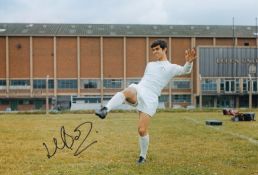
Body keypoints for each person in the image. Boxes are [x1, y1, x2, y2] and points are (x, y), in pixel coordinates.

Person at [95, 39, 196, 164]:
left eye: (157, 49)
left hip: (151, 98)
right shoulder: (150, 64)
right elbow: (146, 80)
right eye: (153, 50)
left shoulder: (171, 68)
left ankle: (142, 157)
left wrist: (189, 62)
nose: (155, 52)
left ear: (164, 49)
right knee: (128, 91)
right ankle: (105, 109)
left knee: (142, 130)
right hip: (140, 88)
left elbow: (185, 70)